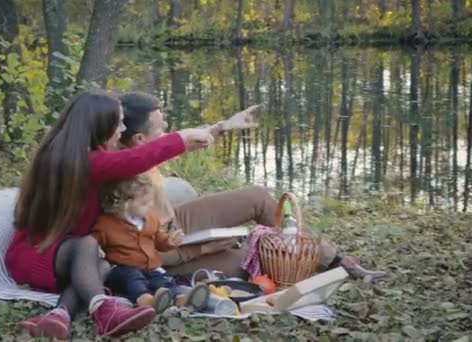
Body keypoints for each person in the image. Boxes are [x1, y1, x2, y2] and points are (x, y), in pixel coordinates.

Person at [5, 90, 258, 339]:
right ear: (101, 126)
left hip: (75, 257)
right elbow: (138, 157)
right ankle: (103, 310)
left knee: (101, 263)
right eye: (119, 123)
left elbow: (145, 149)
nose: (122, 128)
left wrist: (219, 128)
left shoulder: (81, 154)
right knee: (88, 246)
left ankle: (59, 316)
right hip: (39, 257)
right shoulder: (85, 163)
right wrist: (182, 137)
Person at [118, 91, 388, 281]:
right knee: (254, 262)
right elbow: (139, 255)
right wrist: (202, 249)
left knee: (256, 196)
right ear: (139, 139)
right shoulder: (121, 185)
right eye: (159, 122)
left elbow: (184, 141)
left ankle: (338, 260)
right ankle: (320, 269)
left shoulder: (140, 149)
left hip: (173, 223)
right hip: (159, 256)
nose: (166, 124)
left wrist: (223, 126)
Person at [93, 174, 210, 314]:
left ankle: (178, 299)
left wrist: (169, 241)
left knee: (161, 281)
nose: (150, 206)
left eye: (150, 201)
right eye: (144, 203)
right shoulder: (106, 225)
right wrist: (96, 250)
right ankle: (146, 301)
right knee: (133, 278)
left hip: (150, 268)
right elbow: (93, 243)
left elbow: (159, 241)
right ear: (124, 204)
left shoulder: (150, 220)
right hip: (122, 270)